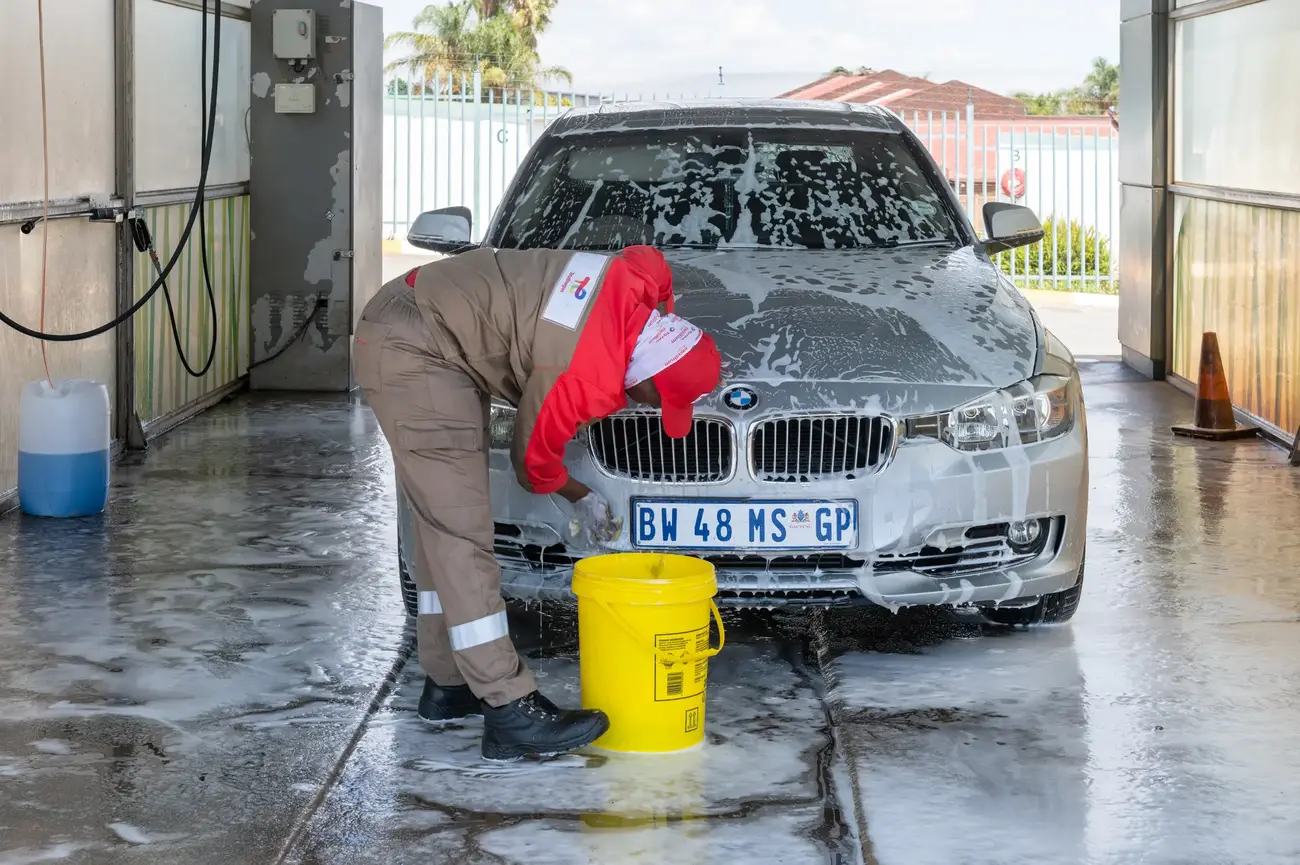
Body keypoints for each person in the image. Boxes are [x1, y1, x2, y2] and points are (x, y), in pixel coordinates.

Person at [352, 244, 722, 761]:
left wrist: (665, 314)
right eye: (660, 401)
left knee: (443, 523)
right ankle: (509, 708)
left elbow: (653, 264)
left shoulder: (633, 280)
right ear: (644, 375)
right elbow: (531, 463)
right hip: (415, 346)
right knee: (461, 532)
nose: (655, 410)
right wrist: (583, 496)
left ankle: (450, 682)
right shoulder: (581, 377)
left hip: (430, 319)